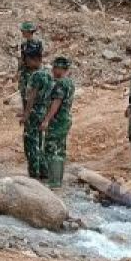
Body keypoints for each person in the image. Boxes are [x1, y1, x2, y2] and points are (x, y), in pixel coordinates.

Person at [40, 57, 74, 189]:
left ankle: (54, 182)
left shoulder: (61, 84)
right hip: (64, 120)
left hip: (57, 121)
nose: (53, 71)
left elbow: (56, 103)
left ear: (61, 69)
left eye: (55, 68)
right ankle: (57, 181)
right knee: (60, 151)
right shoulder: (69, 83)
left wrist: (46, 120)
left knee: (52, 150)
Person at [20, 49, 52, 179]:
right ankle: (44, 173)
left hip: (34, 112)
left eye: (28, 60)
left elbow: (32, 96)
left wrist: (26, 114)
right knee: (39, 143)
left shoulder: (36, 75)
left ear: (36, 60)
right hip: (43, 111)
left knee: (31, 144)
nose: (27, 63)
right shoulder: (48, 75)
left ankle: (33, 174)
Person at [17, 21, 44, 109]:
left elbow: (38, 58)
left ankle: (33, 110)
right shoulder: (24, 44)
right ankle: (25, 110)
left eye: (24, 31)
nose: (22, 33)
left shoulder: (37, 43)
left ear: (29, 32)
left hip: (33, 70)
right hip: (25, 70)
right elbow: (22, 57)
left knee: (33, 91)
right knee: (23, 90)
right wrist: (18, 70)